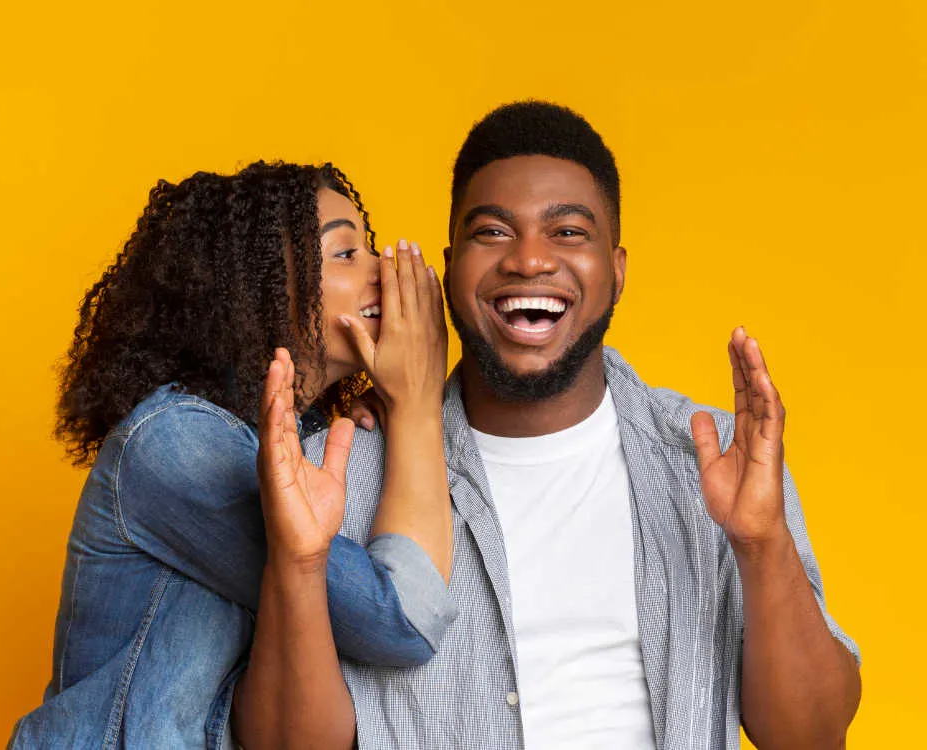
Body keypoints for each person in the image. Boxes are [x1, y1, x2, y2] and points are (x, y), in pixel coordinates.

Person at [252, 102, 862, 749]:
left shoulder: (712, 459)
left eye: (568, 232)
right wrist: (298, 560)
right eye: (493, 233)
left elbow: (812, 735)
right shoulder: (338, 471)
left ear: (618, 271)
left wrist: (763, 543)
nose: (529, 260)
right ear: (450, 265)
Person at [8, 160, 455, 749]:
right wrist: (420, 403)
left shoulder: (300, 438)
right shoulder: (175, 445)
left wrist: (389, 416)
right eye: (346, 255)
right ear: (256, 290)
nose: (386, 272)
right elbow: (400, 621)